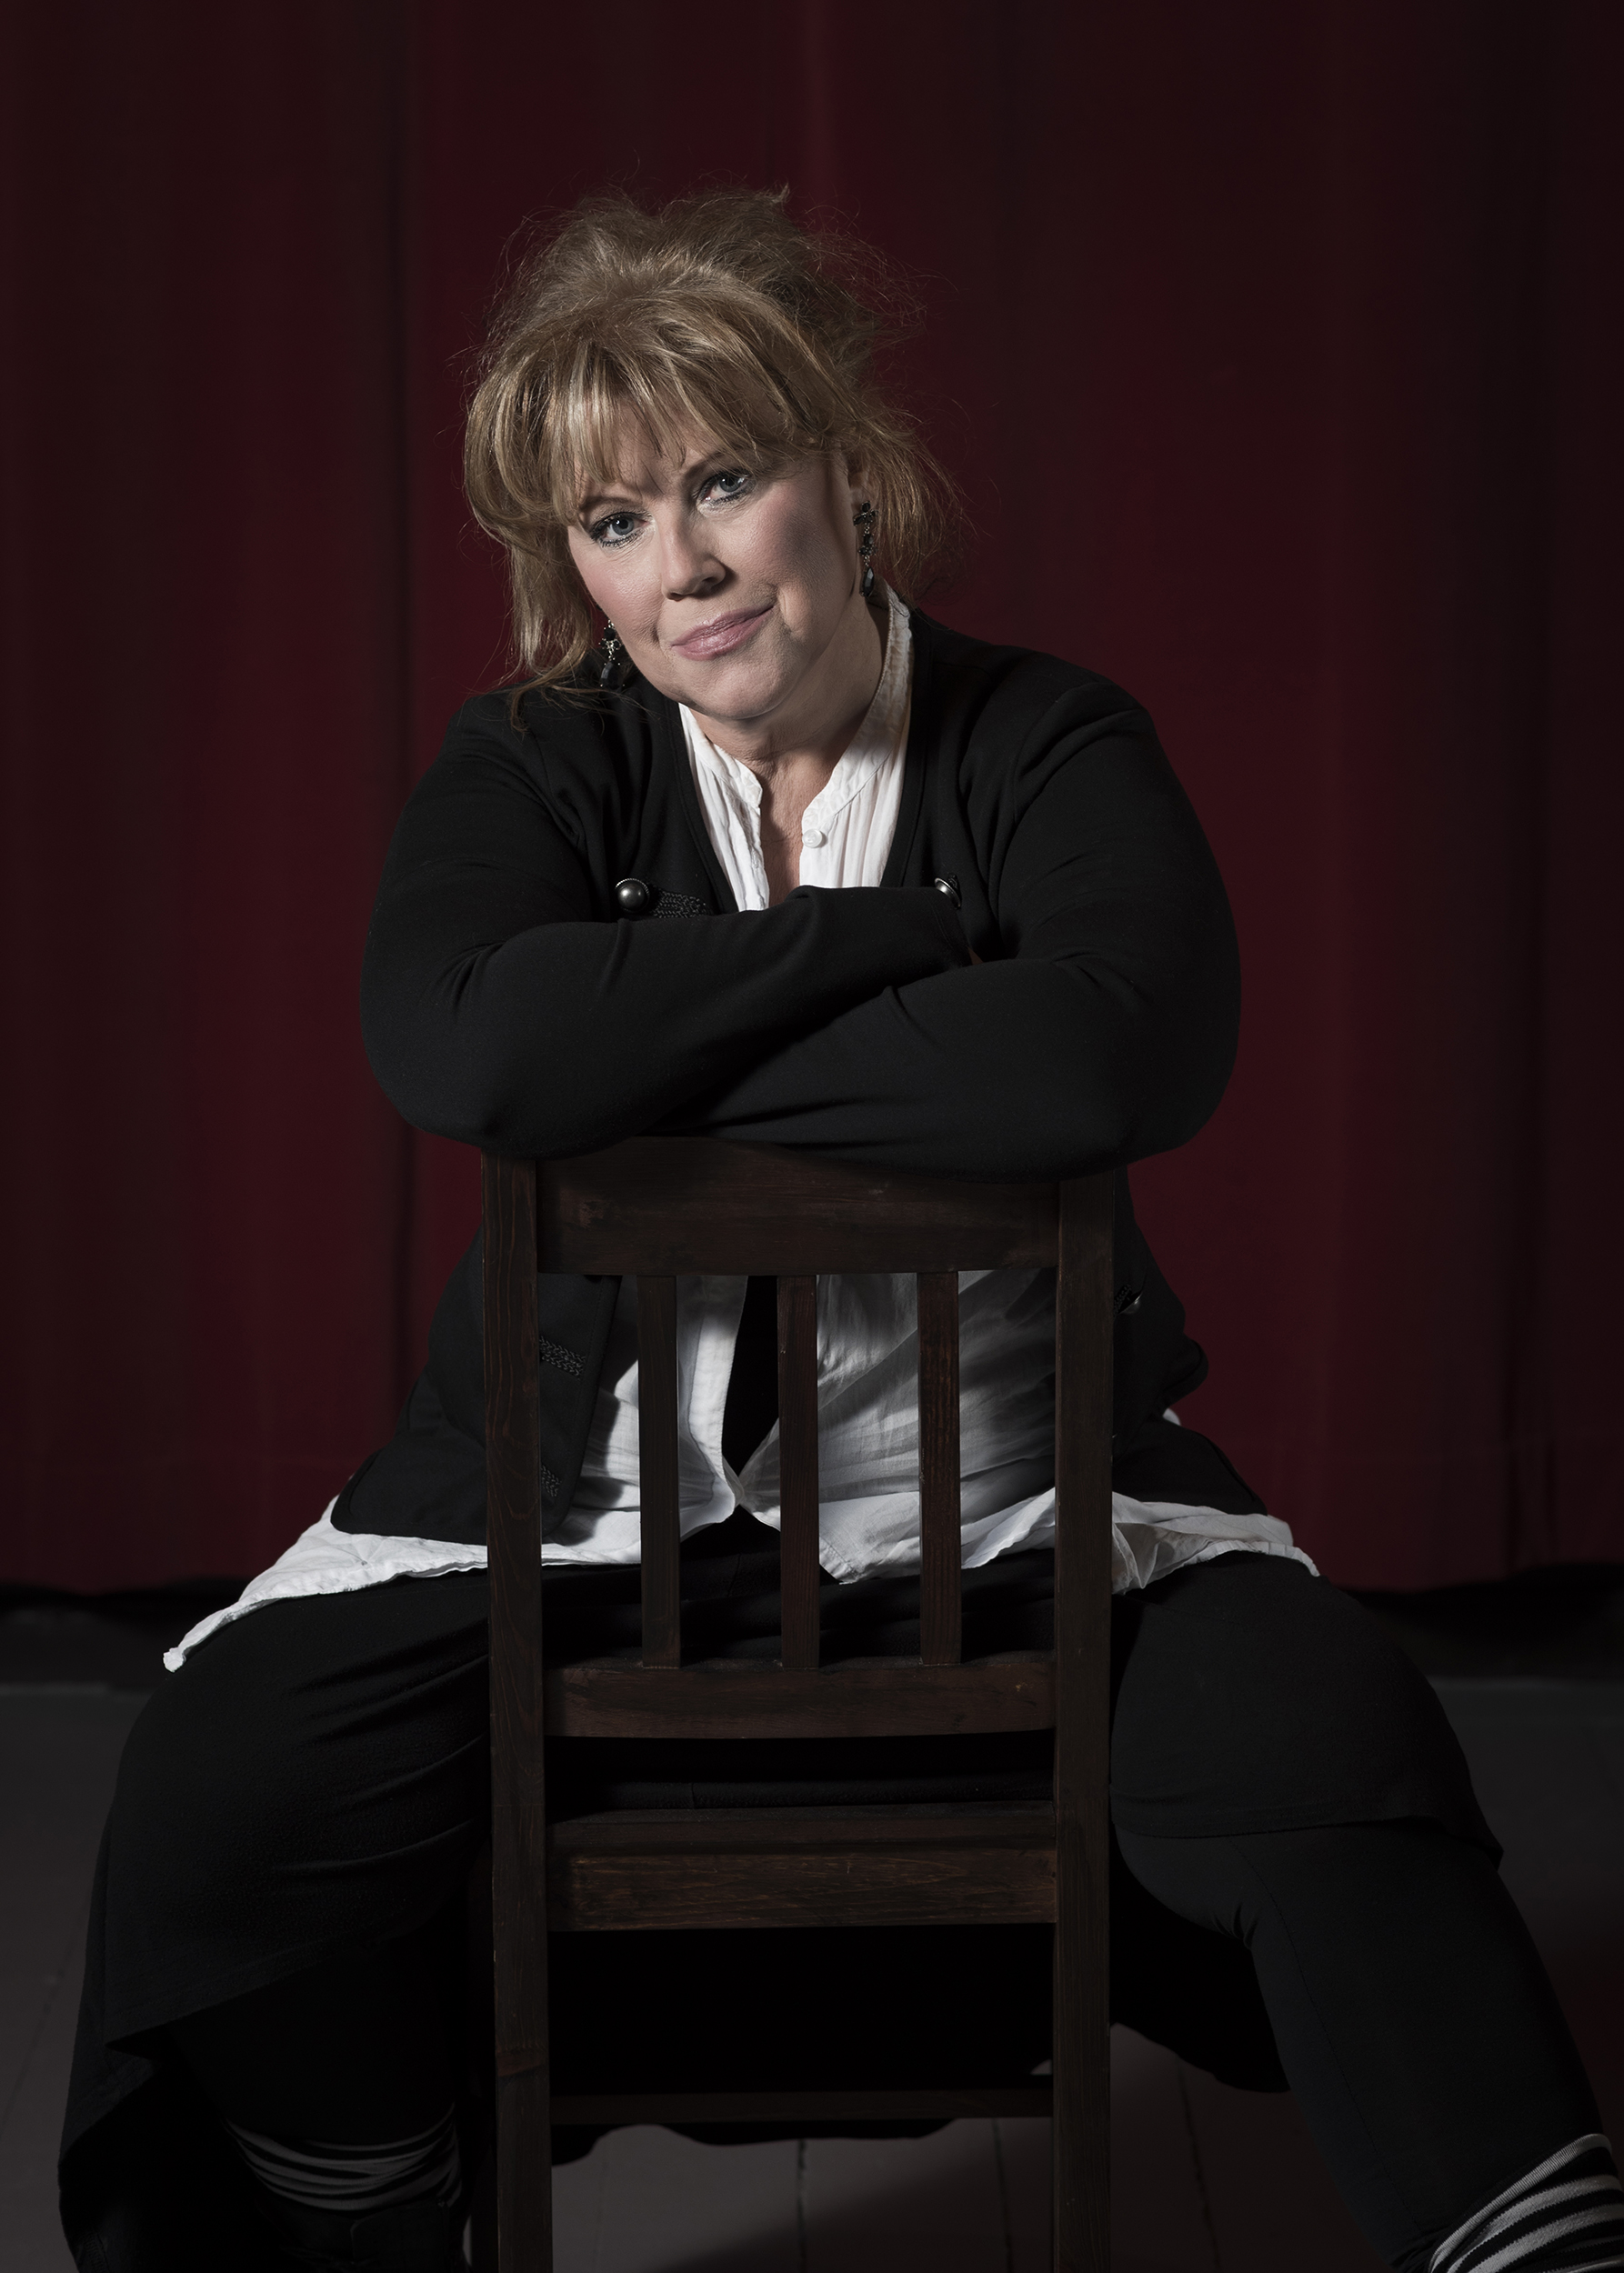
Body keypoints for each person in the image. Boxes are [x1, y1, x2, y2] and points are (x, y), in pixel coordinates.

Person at [61, 189, 1619, 2273]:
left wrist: (636, 1050)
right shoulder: (534, 756)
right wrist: (884, 945)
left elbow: (1105, 1057)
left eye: (724, 482)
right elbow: (465, 1043)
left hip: (1012, 1502)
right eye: (614, 522)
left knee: (1329, 1745)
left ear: (848, 475)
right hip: (570, 1514)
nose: (682, 567)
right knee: (222, 1794)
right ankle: (376, 2215)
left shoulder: (1047, 737)